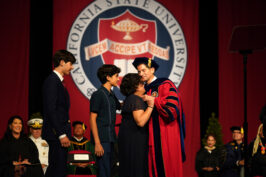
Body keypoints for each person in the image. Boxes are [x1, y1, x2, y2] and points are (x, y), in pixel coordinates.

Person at [132, 57, 186, 177]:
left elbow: (172, 109)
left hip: (166, 132)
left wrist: (153, 100)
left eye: (144, 70)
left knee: (168, 167)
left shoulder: (165, 84)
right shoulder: (142, 89)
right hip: (149, 135)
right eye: (139, 71)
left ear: (152, 69)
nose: (141, 74)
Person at [42, 49, 76, 177]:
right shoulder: (52, 81)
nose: (72, 67)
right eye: (70, 63)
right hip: (56, 134)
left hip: (59, 133)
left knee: (59, 168)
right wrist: (61, 134)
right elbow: (51, 110)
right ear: (62, 62)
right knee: (57, 169)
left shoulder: (57, 82)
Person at [118, 73, 155, 177]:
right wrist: (151, 106)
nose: (143, 84)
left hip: (130, 138)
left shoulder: (131, 98)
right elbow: (140, 121)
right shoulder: (135, 99)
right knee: (136, 168)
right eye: (140, 83)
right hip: (134, 140)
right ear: (135, 86)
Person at [89, 64, 121, 177]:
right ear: (108, 77)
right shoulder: (98, 94)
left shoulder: (111, 94)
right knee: (103, 171)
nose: (118, 78)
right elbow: (92, 119)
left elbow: (120, 106)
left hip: (112, 139)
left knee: (111, 171)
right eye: (116, 76)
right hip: (102, 140)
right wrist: (97, 143)